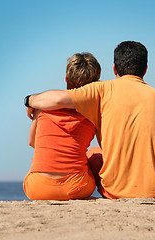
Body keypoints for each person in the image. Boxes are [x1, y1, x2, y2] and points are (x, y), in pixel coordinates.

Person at [24, 41, 155, 199]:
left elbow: (58, 99)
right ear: (145, 69)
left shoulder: (100, 91)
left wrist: (30, 101)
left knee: (94, 154)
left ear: (114, 68)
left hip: (114, 190)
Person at [23, 52, 101, 200]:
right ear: (96, 83)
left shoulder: (41, 106)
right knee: (95, 151)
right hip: (76, 188)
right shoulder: (93, 111)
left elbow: (32, 142)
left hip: (37, 188)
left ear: (66, 79)